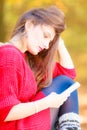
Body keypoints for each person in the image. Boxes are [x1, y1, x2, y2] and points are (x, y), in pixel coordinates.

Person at [0, 6, 81, 130]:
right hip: (17, 126)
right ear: (29, 25)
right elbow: (5, 111)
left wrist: (59, 42)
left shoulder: (26, 60)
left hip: (26, 123)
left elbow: (68, 74)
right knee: (65, 83)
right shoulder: (9, 55)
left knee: (66, 83)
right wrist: (46, 103)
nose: (46, 45)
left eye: (50, 41)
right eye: (45, 35)